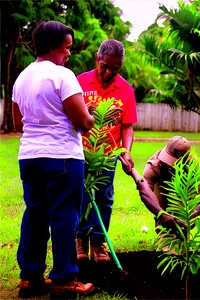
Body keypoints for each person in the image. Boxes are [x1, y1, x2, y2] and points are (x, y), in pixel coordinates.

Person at [12, 20, 95, 299]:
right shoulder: (63, 75)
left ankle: (30, 278)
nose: (69, 53)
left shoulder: (21, 77)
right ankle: (64, 280)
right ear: (52, 47)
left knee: (34, 215)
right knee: (64, 217)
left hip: (29, 157)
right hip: (62, 157)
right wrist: (90, 114)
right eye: (67, 47)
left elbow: (18, 121)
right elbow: (82, 121)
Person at [76, 39, 137, 263]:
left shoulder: (126, 90)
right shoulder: (79, 82)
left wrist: (126, 151)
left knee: (104, 198)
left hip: (107, 155)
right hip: (79, 152)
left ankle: (98, 243)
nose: (109, 72)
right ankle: (80, 239)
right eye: (105, 66)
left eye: (115, 68)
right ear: (97, 59)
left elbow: (127, 126)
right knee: (81, 197)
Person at [119, 136, 200, 233]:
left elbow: (198, 200)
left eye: (172, 163)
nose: (168, 165)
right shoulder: (154, 165)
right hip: (161, 184)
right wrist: (161, 214)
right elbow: (145, 192)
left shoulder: (195, 168)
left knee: (183, 215)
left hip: (184, 187)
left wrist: (187, 221)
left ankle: (180, 236)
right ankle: (163, 234)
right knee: (162, 213)